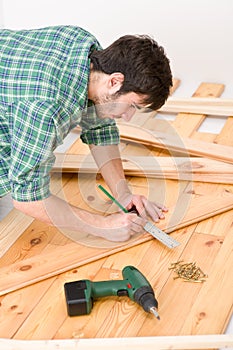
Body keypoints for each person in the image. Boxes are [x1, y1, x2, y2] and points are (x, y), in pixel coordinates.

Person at [0, 25, 173, 242]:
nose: (128, 117)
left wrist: (123, 195)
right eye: (132, 106)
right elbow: (28, 199)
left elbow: (100, 129)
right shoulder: (45, 107)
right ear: (115, 81)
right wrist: (103, 225)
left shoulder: (83, 45)